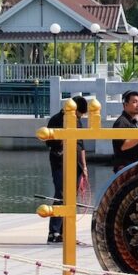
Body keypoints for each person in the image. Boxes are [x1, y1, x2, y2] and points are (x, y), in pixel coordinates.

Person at [45, 96, 88, 243]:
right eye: (79, 114)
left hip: (76, 163)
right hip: (60, 162)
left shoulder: (78, 122)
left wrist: (85, 166)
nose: (79, 117)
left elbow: (81, 145)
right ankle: (54, 232)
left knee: (72, 197)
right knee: (61, 194)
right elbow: (49, 143)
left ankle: (67, 232)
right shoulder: (56, 120)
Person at [112, 91, 138, 172]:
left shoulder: (131, 121)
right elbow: (123, 146)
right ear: (125, 105)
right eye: (134, 102)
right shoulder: (121, 122)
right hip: (127, 167)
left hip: (134, 165)